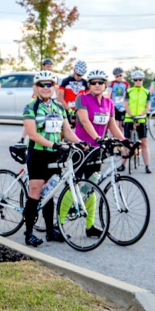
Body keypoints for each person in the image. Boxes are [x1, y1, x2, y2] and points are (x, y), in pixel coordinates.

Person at [22, 71, 83, 247]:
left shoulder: (58, 107)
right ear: (36, 87)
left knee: (50, 193)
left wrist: (81, 143)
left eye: (50, 84)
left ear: (54, 87)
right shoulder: (31, 107)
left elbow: (68, 132)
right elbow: (32, 134)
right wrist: (54, 145)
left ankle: (50, 231)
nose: (46, 88)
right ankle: (29, 234)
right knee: (35, 192)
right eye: (42, 84)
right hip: (38, 154)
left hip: (54, 154)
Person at [73, 69, 130, 238]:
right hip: (82, 147)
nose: (97, 85)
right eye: (93, 82)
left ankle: (90, 226)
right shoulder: (82, 99)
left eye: (100, 82)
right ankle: (58, 223)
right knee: (75, 185)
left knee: (92, 185)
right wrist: (98, 138)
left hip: (98, 149)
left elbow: (112, 126)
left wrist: (125, 141)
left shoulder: (108, 103)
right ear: (89, 85)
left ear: (106, 85)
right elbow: (84, 121)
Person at [120, 70, 152, 173]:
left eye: (140, 79)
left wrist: (141, 115)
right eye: (135, 80)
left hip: (141, 119)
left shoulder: (146, 92)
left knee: (144, 143)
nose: (138, 81)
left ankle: (147, 166)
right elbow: (125, 104)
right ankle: (122, 164)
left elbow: (148, 106)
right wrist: (131, 115)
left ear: (143, 80)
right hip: (129, 119)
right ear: (133, 81)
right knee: (126, 142)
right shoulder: (129, 91)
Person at [108, 67, 130, 131]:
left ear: (123, 75)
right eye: (117, 76)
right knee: (116, 124)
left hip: (122, 106)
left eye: (120, 75)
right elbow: (108, 94)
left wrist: (125, 106)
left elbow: (125, 96)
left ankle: (120, 139)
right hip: (114, 106)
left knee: (122, 126)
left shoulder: (126, 84)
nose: (119, 77)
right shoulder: (112, 83)